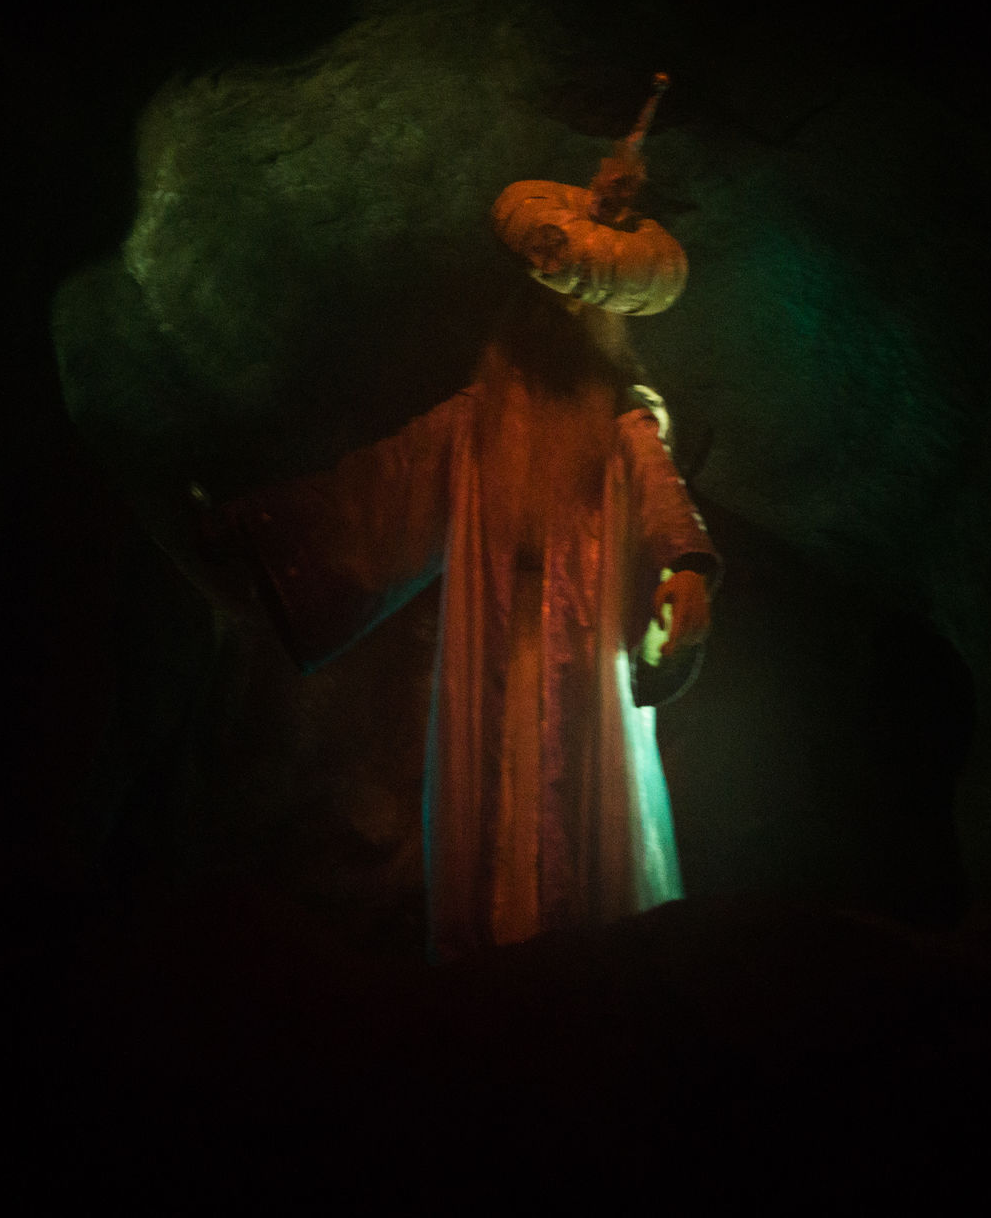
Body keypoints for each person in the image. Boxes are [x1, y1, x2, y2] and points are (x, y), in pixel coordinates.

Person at [199, 84, 718, 959]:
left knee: (580, 814)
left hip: (584, 654)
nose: (558, 321)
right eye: (546, 305)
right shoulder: (478, 421)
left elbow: (665, 496)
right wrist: (256, 527)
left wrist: (687, 568)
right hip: (495, 651)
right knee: (496, 807)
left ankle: (585, 976)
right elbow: (379, 488)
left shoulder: (623, 418)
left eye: (577, 309)